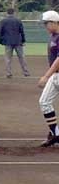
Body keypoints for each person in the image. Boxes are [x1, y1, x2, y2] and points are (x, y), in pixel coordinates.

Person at [37, 11, 59, 147]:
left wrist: (46, 76)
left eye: (46, 23)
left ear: (54, 22)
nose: (45, 26)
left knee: (44, 102)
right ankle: (55, 134)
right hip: (56, 75)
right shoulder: (53, 36)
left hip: (56, 74)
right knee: (44, 102)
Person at [0, 8, 29, 78]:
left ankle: (8, 73)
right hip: (18, 41)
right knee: (21, 57)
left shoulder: (3, 21)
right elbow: (22, 31)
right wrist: (23, 40)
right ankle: (26, 72)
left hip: (8, 42)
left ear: (7, 12)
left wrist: (1, 41)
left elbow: (1, 32)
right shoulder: (18, 20)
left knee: (8, 58)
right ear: (14, 13)